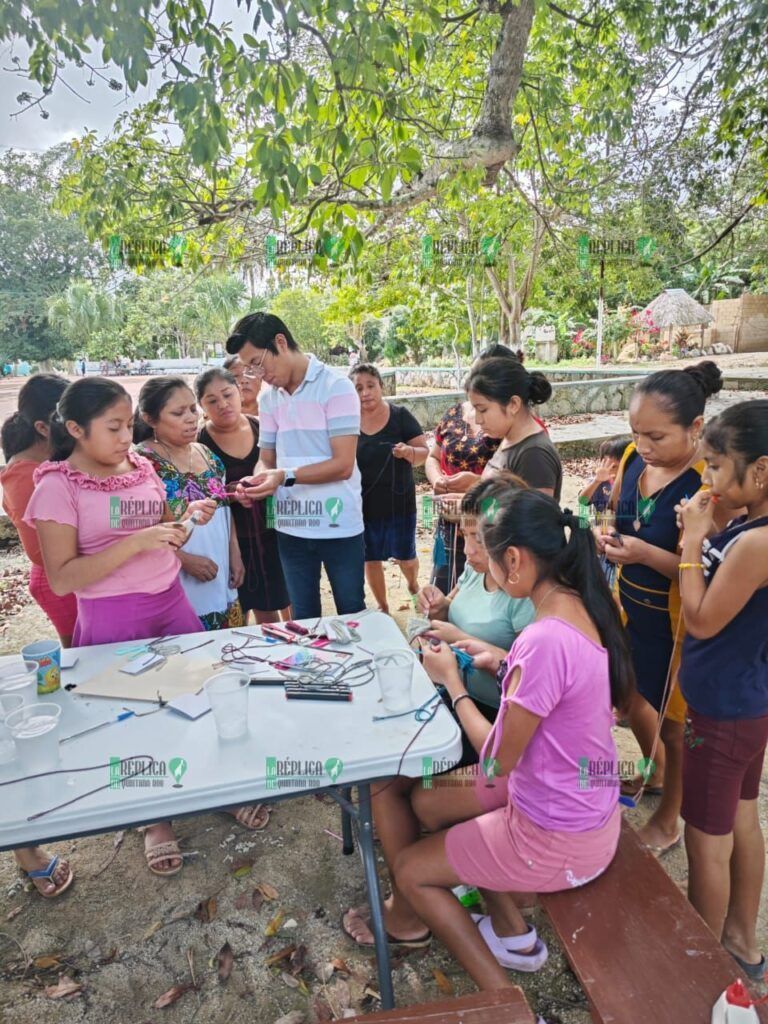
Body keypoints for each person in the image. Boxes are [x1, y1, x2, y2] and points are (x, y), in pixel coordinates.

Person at [379, 485, 633, 988]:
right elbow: (550, 698)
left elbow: (497, 763)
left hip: (559, 834)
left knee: (410, 870)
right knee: (430, 804)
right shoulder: (578, 607)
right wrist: (496, 662)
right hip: (573, 800)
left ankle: (504, 1003)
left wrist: (453, 683)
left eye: (488, 559)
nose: (484, 569)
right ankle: (510, 932)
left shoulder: (541, 641)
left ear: (513, 560)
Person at [23, 377, 212, 878]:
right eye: (113, 427)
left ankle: (210, 786)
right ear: (75, 429)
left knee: (192, 696)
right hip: (112, 616)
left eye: (129, 424)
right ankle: (153, 819)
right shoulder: (57, 486)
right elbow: (62, 579)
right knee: (131, 719)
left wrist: (187, 520)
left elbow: (166, 531)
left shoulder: (143, 466)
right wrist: (136, 540)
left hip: (170, 602)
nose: (127, 436)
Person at [342, 478, 535, 950]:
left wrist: (461, 657)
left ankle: (409, 910)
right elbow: (467, 615)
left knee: (391, 786)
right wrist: (444, 607)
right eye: (464, 535)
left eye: (477, 538)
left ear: (511, 545)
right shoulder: (480, 569)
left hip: (492, 725)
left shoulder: (528, 593)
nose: (468, 548)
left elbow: (535, 678)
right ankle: (417, 894)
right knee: (384, 774)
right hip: (459, 706)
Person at [597, 361, 722, 855]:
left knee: (675, 725)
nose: (644, 445)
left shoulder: (706, 487)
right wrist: (611, 536)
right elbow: (621, 514)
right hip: (630, 609)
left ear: (695, 428)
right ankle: (651, 777)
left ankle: (670, 817)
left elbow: (710, 574)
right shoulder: (630, 459)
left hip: (676, 622)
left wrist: (646, 553)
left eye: (657, 436)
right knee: (633, 699)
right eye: (636, 433)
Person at [676, 401, 768, 980]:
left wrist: (691, 541)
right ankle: (740, 940)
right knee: (741, 817)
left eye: (714, 467)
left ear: (759, 471)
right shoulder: (747, 523)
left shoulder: (757, 542)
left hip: (723, 707)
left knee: (704, 839)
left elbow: (704, 619)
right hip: (744, 698)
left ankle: (699, 965)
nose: (706, 479)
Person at [227, 312, 365, 619]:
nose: (256, 374)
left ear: (280, 342)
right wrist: (257, 481)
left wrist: (283, 477)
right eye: (249, 368)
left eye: (258, 362)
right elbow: (266, 459)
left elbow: (343, 465)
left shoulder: (336, 387)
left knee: (352, 613)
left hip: (338, 523)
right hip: (290, 525)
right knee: (303, 617)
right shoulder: (269, 400)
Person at [0, 374, 77, 899]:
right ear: (48, 426)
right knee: (81, 675)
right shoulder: (32, 479)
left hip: (68, 577)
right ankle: (28, 843)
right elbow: (62, 553)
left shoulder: (39, 466)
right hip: (64, 580)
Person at [134, 377, 245, 631]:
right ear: (150, 419)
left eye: (193, 409)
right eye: (178, 412)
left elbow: (224, 510)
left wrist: (234, 553)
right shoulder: (140, 463)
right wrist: (182, 559)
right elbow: (133, 531)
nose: (191, 418)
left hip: (220, 574)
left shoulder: (207, 455)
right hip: (175, 582)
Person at [424, 345, 522, 595]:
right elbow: (432, 456)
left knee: (480, 600)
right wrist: (438, 480)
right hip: (451, 521)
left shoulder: (518, 430)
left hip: (489, 532)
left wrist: (475, 487)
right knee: (444, 592)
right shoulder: (454, 413)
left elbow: (521, 493)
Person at [196, 367, 291, 624]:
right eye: (212, 400)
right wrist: (232, 494)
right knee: (237, 612)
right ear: (201, 406)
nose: (223, 404)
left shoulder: (262, 428)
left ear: (239, 391)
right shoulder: (199, 443)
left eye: (228, 394)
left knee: (273, 609)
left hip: (271, 532)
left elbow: (283, 473)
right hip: (229, 541)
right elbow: (201, 493)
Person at [350, 363, 428, 614]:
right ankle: (383, 608)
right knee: (370, 559)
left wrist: (408, 452)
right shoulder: (348, 422)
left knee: (406, 557)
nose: (365, 393)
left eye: (370, 386)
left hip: (399, 503)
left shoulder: (401, 415)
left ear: (381, 387)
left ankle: (413, 585)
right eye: (358, 388)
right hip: (363, 505)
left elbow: (424, 453)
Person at [462, 358, 562, 499]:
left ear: (513, 404)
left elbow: (535, 518)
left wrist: (468, 512)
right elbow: (505, 500)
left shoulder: (534, 455)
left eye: (483, 410)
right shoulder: (510, 439)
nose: (478, 420)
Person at [578, 437, 629, 513]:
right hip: (604, 523)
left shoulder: (635, 480)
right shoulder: (599, 482)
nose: (618, 471)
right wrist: (596, 482)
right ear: (602, 462)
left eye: (623, 466)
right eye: (613, 466)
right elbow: (583, 501)